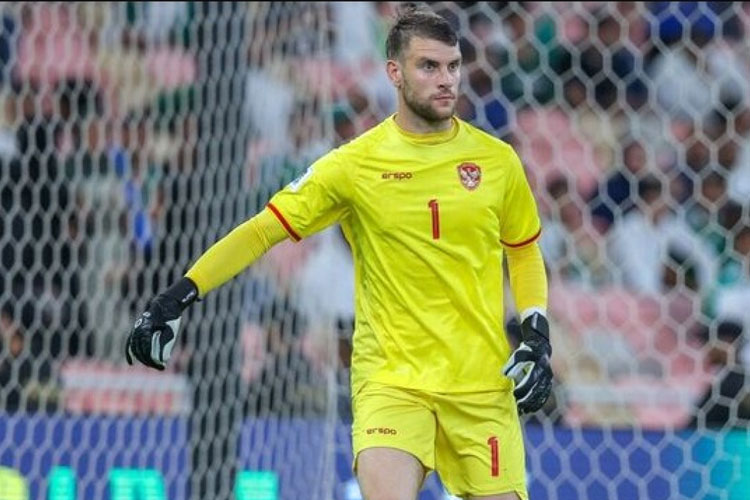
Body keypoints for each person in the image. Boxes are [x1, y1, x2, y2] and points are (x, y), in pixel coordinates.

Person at [125, 4, 552, 500]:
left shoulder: (497, 162)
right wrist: (178, 295)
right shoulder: (353, 165)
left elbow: (523, 251)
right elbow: (263, 231)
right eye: (429, 66)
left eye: (453, 66)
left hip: (481, 384)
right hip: (393, 382)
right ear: (394, 72)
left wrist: (536, 327)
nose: (446, 80)